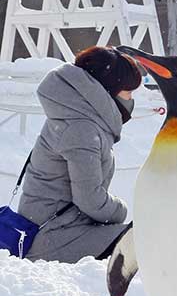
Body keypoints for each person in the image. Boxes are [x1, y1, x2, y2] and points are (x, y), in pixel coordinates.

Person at [17, 47, 141, 263]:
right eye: (128, 91)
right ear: (108, 89)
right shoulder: (81, 129)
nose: (131, 99)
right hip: (52, 238)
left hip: (61, 229)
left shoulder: (79, 118)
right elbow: (90, 200)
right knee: (145, 241)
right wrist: (121, 210)